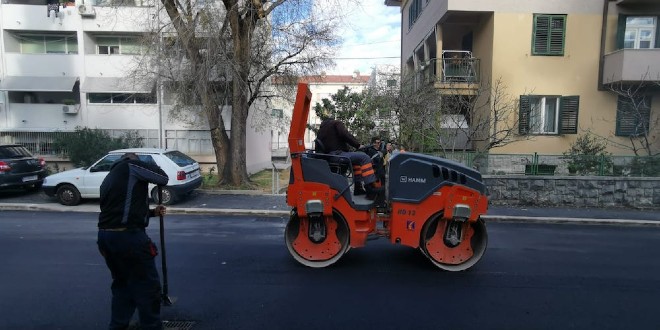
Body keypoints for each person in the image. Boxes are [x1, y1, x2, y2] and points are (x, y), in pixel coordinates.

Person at [97, 152, 169, 330]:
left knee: (123, 285)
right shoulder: (131, 166)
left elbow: (122, 210)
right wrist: (150, 164)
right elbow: (162, 177)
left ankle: (117, 326)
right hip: (128, 238)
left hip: (106, 237)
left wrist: (152, 212)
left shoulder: (109, 178)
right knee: (147, 287)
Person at [316, 114, 383, 200]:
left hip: (330, 156)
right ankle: (371, 189)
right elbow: (345, 134)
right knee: (364, 157)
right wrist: (358, 145)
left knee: (356, 160)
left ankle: (358, 188)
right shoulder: (335, 123)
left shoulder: (321, 130)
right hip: (338, 155)